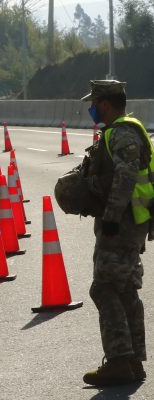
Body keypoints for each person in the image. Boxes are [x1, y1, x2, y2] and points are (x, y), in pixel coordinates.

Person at [81, 80, 152, 386]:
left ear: (105, 104)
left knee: (104, 288)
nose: (92, 108)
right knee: (124, 289)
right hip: (133, 220)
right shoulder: (124, 130)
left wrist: (110, 218)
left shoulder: (121, 132)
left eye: (95, 103)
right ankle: (133, 361)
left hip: (122, 223)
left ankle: (120, 360)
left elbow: (125, 176)